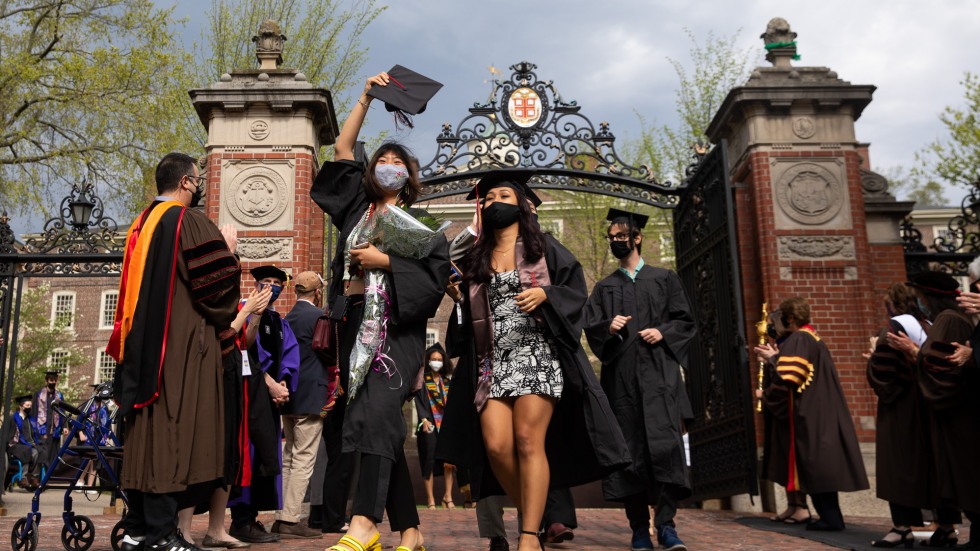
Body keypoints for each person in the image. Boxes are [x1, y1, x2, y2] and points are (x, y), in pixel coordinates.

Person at [440, 171, 629, 551]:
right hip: (493, 362)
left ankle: (528, 537)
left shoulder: (545, 247)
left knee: (528, 440)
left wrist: (546, 295)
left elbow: (575, 291)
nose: (495, 201)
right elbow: (471, 315)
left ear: (522, 204)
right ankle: (537, 514)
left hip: (537, 354)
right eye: (489, 197)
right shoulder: (476, 257)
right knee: (495, 447)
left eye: (504, 195)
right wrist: (460, 299)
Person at [310, 70, 449, 551]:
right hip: (355, 329)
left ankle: (364, 524)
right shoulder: (358, 209)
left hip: (398, 333)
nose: (389, 165)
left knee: (375, 415)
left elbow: (434, 283)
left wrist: (385, 260)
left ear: (409, 175)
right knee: (375, 422)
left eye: (398, 161)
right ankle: (410, 529)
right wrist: (366, 96)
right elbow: (342, 151)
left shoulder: (424, 226)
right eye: (383, 159)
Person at [109, 152, 242, 551]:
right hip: (178, 350)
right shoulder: (188, 221)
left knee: (145, 436)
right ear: (186, 182)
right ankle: (164, 533)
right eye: (197, 180)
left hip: (142, 350)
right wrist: (230, 253)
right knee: (174, 432)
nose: (199, 186)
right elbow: (216, 288)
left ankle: (137, 528)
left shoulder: (140, 225)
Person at [582, 208, 695, 551]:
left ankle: (666, 526)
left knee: (664, 450)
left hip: (660, 380)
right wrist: (609, 328)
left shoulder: (664, 278)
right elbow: (592, 330)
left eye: (621, 236)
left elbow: (686, 322)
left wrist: (662, 332)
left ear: (637, 237)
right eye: (611, 238)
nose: (616, 241)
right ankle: (638, 530)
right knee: (628, 454)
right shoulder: (605, 287)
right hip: (623, 384)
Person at [754, 297, 869, 532]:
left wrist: (772, 361)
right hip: (820, 408)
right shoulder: (811, 337)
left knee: (815, 464)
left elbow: (791, 375)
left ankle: (830, 519)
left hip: (811, 412)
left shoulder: (800, 338)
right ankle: (829, 517)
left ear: (791, 319)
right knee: (817, 465)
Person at [175, 285, 272, 549]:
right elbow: (221, 337)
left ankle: (216, 529)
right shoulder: (206, 299)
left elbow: (244, 342)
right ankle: (182, 529)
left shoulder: (234, 304)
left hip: (233, 382)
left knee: (229, 454)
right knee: (201, 453)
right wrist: (246, 311)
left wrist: (256, 316)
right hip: (210, 381)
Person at [906, 270, 979, 550]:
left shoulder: (948, 320)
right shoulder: (958, 319)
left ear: (930, 297)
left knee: (965, 471)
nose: (919, 302)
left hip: (955, 412)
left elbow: (936, 364)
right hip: (960, 408)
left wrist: (914, 355)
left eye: (921, 297)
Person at [865, 282, 942, 548]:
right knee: (932, 465)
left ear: (893, 305)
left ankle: (901, 526)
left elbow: (884, 377)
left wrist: (874, 357)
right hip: (929, 406)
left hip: (901, 411)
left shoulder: (892, 330)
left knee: (897, 465)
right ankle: (946, 526)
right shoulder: (929, 326)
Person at [227, 265, 299, 544]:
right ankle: (240, 520)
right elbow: (244, 349)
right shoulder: (242, 311)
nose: (271, 286)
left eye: (276, 282)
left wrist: (283, 384)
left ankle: (251, 518)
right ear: (255, 285)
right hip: (247, 398)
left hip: (268, 401)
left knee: (266, 458)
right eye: (265, 281)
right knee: (248, 456)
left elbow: (291, 356)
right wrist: (269, 382)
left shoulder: (280, 322)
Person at [272, 271, 329, 538]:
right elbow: (329, 353)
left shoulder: (287, 317)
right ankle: (290, 519)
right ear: (317, 292)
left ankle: (281, 514)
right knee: (304, 459)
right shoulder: (319, 316)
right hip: (311, 396)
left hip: (290, 394)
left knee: (288, 457)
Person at [414, 343, 456, 509]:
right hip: (429, 424)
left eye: (439, 359)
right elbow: (419, 402)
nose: (436, 362)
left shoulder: (447, 382)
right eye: (433, 359)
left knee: (448, 462)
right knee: (429, 459)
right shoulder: (423, 381)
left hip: (445, 425)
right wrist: (424, 419)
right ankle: (431, 500)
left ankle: (448, 497)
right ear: (428, 361)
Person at [31, 369, 66, 475]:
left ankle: (46, 477)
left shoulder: (59, 396)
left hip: (54, 430)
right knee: (42, 453)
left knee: (51, 455)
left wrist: (65, 426)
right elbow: (34, 412)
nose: (53, 382)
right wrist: (34, 428)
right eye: (51, 380)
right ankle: (37, 477)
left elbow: (62, 411)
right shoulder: (38, 395)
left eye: (55, 380)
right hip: (41, 430)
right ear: (46, 381)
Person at [4, 394, 41, 490]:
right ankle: (23, 477)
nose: (29, 408)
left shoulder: (30, 420)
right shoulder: (13, 419)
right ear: (21, 406)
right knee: (27, 450)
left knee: (39, 451)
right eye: (27, 406)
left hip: (27, 445)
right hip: (14, 445)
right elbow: (7, 435)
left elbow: (33, 436)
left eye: (30, 406)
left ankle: (33, 476)